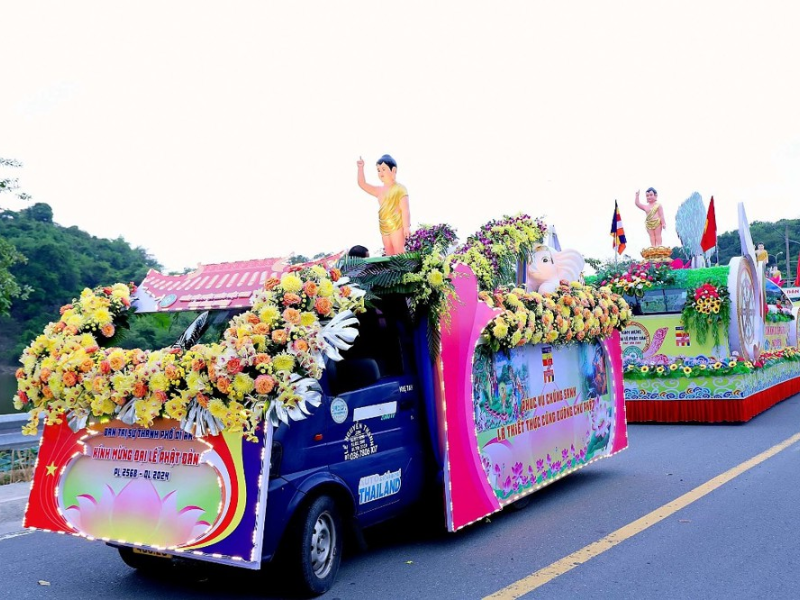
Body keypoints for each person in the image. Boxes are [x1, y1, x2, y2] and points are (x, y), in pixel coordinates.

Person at [357, 154, 410, 255]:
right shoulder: (379, 191)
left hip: (397, 225)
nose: (381, 173)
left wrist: (406, 226)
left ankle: (404, 270)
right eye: (378, 170)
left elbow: (405, 209)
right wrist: (360, 168)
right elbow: (362, 184)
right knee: (389, 251)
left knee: (399, 251)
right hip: (384, 226)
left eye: (383, 169)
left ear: (393, 170)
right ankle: (392, 270)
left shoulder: (400, 188)